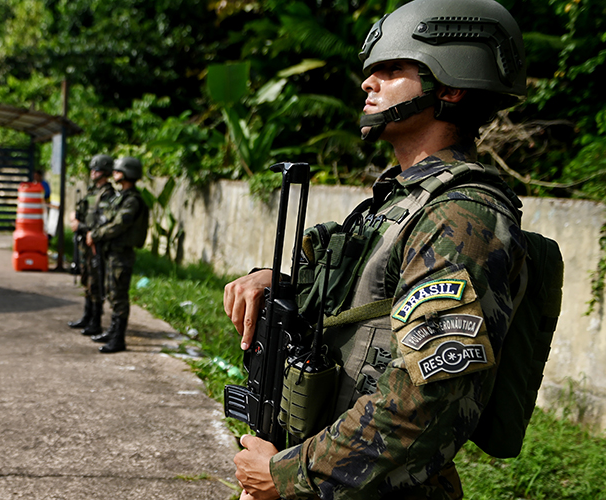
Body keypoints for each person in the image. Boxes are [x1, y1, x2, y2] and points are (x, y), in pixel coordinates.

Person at [224, 0, 529, 497]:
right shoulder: (400, 200)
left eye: (390, 70)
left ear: (449, 86)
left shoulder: (459, 215)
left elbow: (423, 406)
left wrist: (286, 474)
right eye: (371, 72)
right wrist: (274, 279)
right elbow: (354, 295)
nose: (368, 84)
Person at [87, 156, 149, 353]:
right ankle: (112, 331)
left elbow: (118, 225)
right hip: (111, 252)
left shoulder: (132, 200)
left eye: (117, 170)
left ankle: (118, 339)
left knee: (119, 296)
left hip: (121, 255)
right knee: (111, 293)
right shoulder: (121, 196)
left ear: (127, 172)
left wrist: (95, 234)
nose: (113, 173)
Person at [68, 154, 117, 336]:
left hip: (96, 245)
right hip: (85, 244)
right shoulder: (91, 193)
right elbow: (81, 211)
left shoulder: (108, 195)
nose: (92, 173)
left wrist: (80, 225)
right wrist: (75, 217)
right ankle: (87, 316)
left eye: (96, 170)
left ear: (104, 172)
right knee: (87, 280)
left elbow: (102, 223)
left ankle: (95, 321)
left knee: (96, 282)